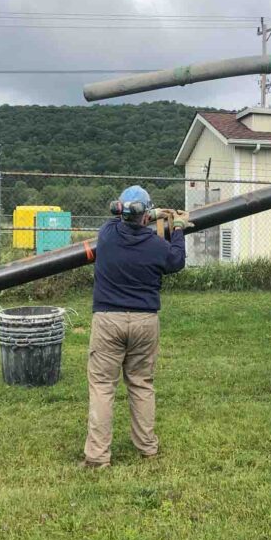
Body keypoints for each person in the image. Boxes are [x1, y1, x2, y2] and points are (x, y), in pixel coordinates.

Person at [83, 185, 189, 468]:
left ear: (120, 211)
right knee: (141, 384)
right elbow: (177, 260)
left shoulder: (107, 235)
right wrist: (177, 227)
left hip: (108, 320)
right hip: (144, 321)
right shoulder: (157, 246)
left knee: (103, 387)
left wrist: (149, 212)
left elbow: (127, 218)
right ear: (145, 215)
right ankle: (147, 448)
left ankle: (97, 457)